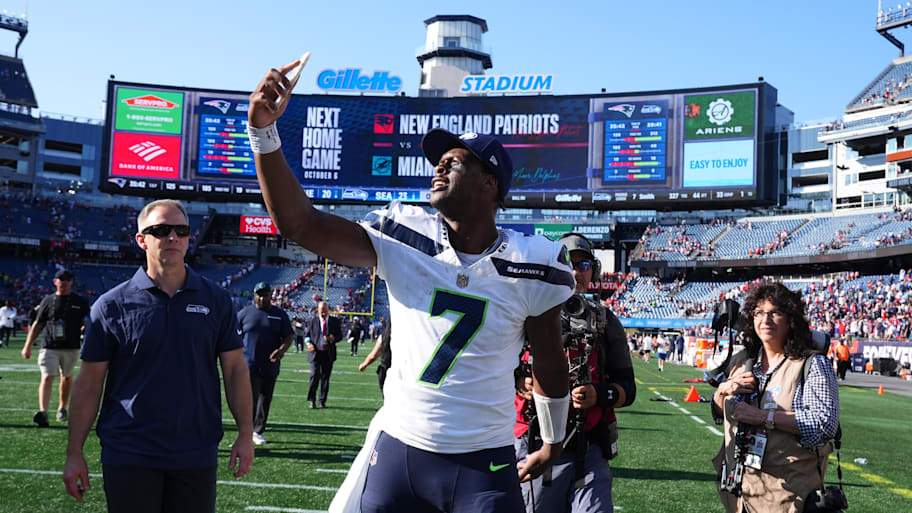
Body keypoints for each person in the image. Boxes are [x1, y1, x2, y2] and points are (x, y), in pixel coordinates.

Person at [248, 61, 573, 513]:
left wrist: (554, 439)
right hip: (400, 450)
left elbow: (550, 366)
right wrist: (264, 134)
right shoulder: (404, 232)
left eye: (452, 163)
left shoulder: (530, 262)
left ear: (488, 183)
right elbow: (300, 224)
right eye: (437, 162)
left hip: (485, 461)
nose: (438, 169)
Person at [62, 199, 254, 512]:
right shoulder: (111, 306)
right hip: (129, 451)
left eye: (181, 231)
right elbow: (89, 383)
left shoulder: (216, 299)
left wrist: (245, 434)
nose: (173, 238)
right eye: (161, 230)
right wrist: (74, 452)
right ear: (142, 239)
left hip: (195, 450)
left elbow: (235, 370)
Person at [514, 232, 636, 513]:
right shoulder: (526, 313)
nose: (575, 271)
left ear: (594, 271)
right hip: (534, 442)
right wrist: (519, 380)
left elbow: (628, 389)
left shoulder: (606, 321)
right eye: (568, 262)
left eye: (583, 265)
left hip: (588, 446)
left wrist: (600, 395)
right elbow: (494, 365)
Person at [711, 282, 840, 513]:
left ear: (791, 320)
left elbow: (824, 424)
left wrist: (762, 416)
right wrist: (721, 392)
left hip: (788, 497)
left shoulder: (812, 364)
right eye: (759, 313)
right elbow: (720, 415)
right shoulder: (742, 363)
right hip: (740, 495)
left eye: (775, 313)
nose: (765, 320)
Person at [21, 269, 90, 426]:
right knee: (47, 376)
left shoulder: (80, 301)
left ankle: (62, 408)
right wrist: (28, 346)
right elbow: (38, 324)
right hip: (49, 345)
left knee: (66, 378)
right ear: (55, 281)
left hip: (71, 346)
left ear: (71, 282)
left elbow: (89, 321)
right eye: (61, 279)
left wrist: (84, 327)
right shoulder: (47, 300)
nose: (64, 282)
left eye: (67, 279)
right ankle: (43, 412)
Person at [238, 282, 293, 445]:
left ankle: (258, 430)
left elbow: (289, 336)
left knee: (265, 399)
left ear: (271, 296)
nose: (262, 298)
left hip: (271, 364)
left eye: (265, 295)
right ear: (254, 295)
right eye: (259, 294)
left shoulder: (280, 314)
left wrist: (281, 351)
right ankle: (246, 432)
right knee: (250, 400)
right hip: (249, 364)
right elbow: (233, 335)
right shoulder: (244, 313)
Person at [305, 301, 342, 409]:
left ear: (328, 310)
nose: (323, 313)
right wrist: (308, 344)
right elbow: (307, 335)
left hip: (328, 353)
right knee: (314, 375)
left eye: (325, 311)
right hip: (315, 352)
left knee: (325, 378)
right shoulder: (313, 321)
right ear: (318, 310)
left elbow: (340, 336)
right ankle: (312, 399)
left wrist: (333, 338)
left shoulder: (335, 322)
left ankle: (322, 400)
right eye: (321, 311)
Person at [358, 317, 392, 396]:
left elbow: (374, 355)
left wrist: (364, 364)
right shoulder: (407, 336)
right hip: (402, 371)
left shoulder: (384, 336)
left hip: (386, 369)